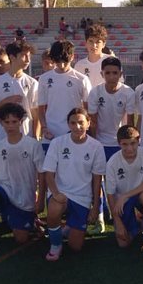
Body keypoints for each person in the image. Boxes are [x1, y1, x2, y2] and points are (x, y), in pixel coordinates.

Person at [0, 103, 45, 254]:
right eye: (6, 122)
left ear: (21, 122)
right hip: (4, 192)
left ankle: (25, 221)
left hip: (25, 199)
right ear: (1, 123)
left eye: (14, 121)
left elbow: (42, 172)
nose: (10, 125)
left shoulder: (33, 145)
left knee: (21, 239)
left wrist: (40, 200)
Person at [42, 108, 106, 261]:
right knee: (54, 208)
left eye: (81, 122)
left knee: (76, 247)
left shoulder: (96, 146)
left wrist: (96, 207)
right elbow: (48, 174)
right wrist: (56, 193)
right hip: (61, 193)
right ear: (68, 124)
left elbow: (97, 181)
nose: (77, 127)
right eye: (73, 123)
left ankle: (68, 227)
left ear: (88, 123)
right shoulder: (58, 142)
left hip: (82, 197)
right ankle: (55, 245)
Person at [84, 56, 135, 234]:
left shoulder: (128, 92)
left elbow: (130, 123)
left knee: (121, 180)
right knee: (97, 181)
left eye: (115, 73)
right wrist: (94, 144)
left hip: (119, 144)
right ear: (102, 74)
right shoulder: (95, 92)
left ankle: (123, 214)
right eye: (108, 73)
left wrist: (126, 143)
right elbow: (93, 121)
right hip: (99, 144)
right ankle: (99, 217)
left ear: (120, 74)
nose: (111, 76)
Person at [105, 124, 143, 257]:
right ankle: (140, 224)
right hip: (122, 203)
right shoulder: (112, 162)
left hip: (140, 194)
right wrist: (117, 221)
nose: (129, 148)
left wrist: (125, 196)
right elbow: (111, 194)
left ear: (139, 140)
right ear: (119, 143)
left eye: (133, 143)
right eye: (125, 144)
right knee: (123, 244)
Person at [37, 41, 92, 151]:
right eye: (57, 61)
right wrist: (44, 128)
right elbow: (40, 108)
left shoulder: (81, 79)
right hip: (51, 135)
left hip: (74, 134)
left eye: (64, 61)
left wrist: (84, 128)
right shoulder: (44, 79)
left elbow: (88, 109)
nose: (61, 65)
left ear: (72, 57)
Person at [0, 40, 39, 140]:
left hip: (26, 137)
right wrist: (6, 101)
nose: (28, 60)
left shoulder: (32, 83)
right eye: (24, 55)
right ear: (12, 57)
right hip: (3, 138)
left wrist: (35, 136)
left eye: (29, 56)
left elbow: (35, 114)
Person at [77, 24, 114, 89]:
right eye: (91, 41)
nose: (94, 45)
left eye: (98, 42)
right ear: (86, 43)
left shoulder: (112, 62)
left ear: (104, 44)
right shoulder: (79, 65)